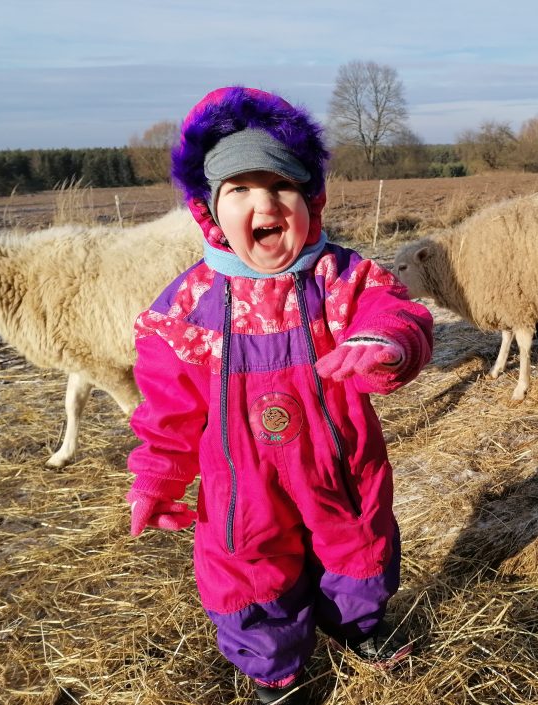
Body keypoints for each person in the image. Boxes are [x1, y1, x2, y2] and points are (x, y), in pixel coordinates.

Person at [125, 86, 434, 704]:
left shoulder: (340, 276)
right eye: (239, 189)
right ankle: (276, 672)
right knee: (247, 567)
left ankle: (360, 628)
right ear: (210, 210)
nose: (263, 202)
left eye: (281, 186)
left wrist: (383, 342)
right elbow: (167, 410)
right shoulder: (188, 309)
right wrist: (157, 478)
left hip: (339, 465)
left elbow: (395, 312)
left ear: (310, 199)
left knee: (359, 541)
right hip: (239, 481)